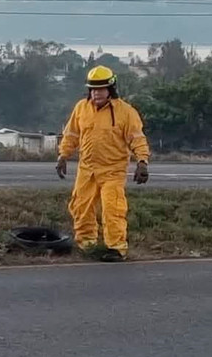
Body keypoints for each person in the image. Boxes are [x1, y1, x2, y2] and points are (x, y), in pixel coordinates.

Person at [56, 65, 150, 262]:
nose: (96, 93)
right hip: (86, 169)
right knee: (81, 207)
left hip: (113, 170)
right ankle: (87, 244)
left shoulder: (126, 112)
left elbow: (137, 138)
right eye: (93, 89)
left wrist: (142, 161)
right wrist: (63, 156)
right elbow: (71, 134)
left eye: (100, 89)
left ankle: (116, 248)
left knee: (112, 208)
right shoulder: (81, 108)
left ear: (111, 89)